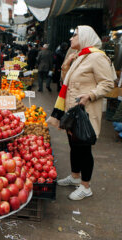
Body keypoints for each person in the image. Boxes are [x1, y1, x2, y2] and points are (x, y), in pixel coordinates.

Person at [47, 25, 115, 200]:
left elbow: (108, 84)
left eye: (75, 36)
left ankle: (86, 186)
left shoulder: (97, 58)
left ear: (85, 37)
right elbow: (66, 83)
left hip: (85, 111)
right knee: (73, 145)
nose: (71, 39)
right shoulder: (80, 57)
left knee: (84, 148)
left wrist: (90, 95)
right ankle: (75, 176)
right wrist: (66, 65)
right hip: (72, 111)